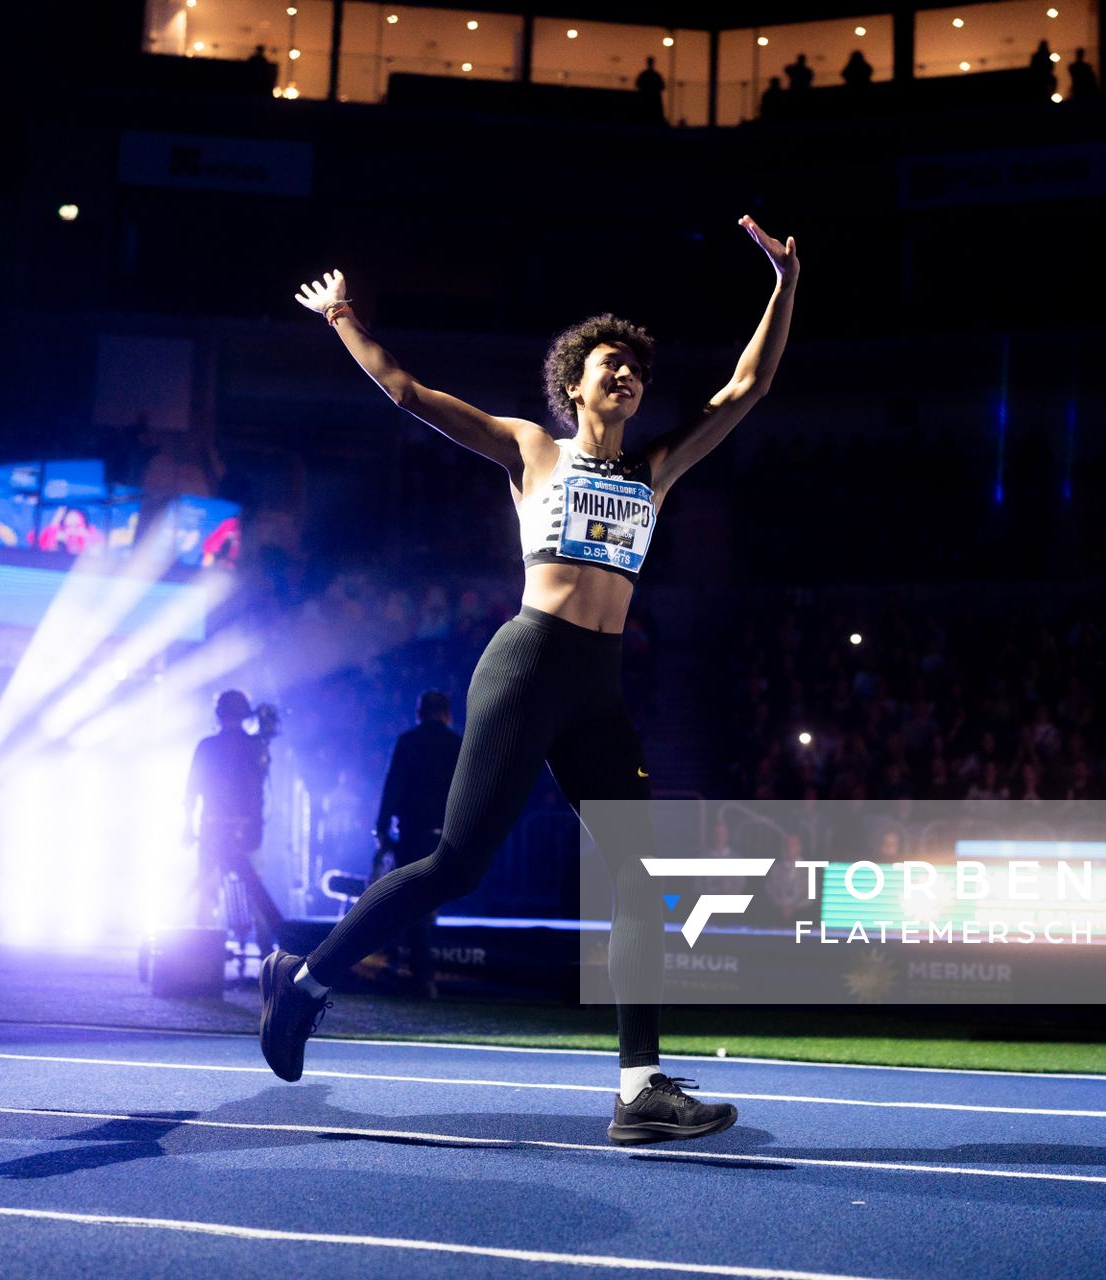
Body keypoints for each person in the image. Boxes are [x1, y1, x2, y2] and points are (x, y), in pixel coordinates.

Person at [266, 213, 799, 1145]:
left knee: (639, 882)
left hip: (598, 684)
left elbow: (747, 387)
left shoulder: (657, 468)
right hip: (528, 663)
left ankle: (639, 1091)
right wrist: (345, 316)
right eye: (607, 364)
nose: (626, 373)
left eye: (635, 365)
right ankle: (303, 980)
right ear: (574, 384)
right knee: (457, 863)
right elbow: (407, 391)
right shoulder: (531, 450)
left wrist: (784, 285)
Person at [372, 690, 462, 998]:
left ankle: (420, 976)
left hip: (413, 834)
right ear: (447, 714)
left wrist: (382, 829)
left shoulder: (408, 742)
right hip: (446, 834)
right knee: (429, 902)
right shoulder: (457, 744)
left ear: (419, 713)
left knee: (414, 902)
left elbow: (393, 784)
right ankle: (423, 976)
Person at [184, 690, 286, 955]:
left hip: (212, 828)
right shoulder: (255, 746)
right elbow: (261, 784)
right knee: (255, 890)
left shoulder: (206, 745)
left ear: (218, 714)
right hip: (247, 831)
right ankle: (266, 949)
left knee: (207, 891)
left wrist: (187, 825)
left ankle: (202, 950)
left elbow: (191, 790)